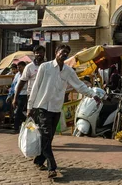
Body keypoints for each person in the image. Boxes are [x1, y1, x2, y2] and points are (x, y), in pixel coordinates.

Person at [27, 44, 101, 178]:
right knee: (45, 135)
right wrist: (30, 107)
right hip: (41, 107)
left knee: (49, 137)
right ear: (56, 53)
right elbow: (35, 87)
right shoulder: (45, 67)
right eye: (62, 52)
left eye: (67, 53)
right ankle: (52, 167)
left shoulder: (68, 71)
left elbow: (79, 85)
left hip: (56, 108)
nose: (64, 54)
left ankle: (39, 160)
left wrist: (93, 94)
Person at [13, 45, 45, 109]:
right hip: (32, 95)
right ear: (34, 54)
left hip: (44, 95)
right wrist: (15, 98)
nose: (39, 54)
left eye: (41, 52)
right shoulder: (29, 67)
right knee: (31, 115)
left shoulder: (48, 66)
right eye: (37, 53)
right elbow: (22, 82)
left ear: (44, 53)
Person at [7, 62, 27, 133]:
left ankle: (16, 127)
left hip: (24, 94)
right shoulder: (17, 75)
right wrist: (10, 95)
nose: (19, 68)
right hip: (16, 94)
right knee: (16, 110)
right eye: (18, 67)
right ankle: (26, 120)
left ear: (24, 67)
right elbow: (13, 85)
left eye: (20, 67)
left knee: (18, 110)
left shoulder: (27, 74)